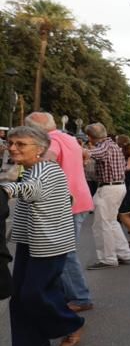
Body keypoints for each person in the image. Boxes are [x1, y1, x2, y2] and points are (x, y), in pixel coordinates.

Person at [0, 126, 85, 346]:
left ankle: (72, 325)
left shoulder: (46, 170)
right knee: (20, 295)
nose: (13, 147)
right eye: (11, 143)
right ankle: (29, 344)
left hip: (50, 243)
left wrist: (6, 189)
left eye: (20, 144)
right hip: (32, 241)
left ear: (39, 149)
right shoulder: (29, 168)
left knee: (35, 292)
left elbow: (32, 190)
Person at [25, 112, 95, 312]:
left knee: (64, 252)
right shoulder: (68, 138)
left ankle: (80, 297)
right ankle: (72, 294)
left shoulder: (51, 141)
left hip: (65, 202)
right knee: (65, 251)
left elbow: (46, 161)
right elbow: (85, 154)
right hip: (78, 198)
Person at [84, 123, 130, 270]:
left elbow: (97, 153)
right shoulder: (112, 145)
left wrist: (82, 151)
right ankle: (123, 253)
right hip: (116, 186)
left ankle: (108, 258)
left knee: (102, 224)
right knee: (111, 222)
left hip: (109, 188)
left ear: (91, 136)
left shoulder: (105, 146)